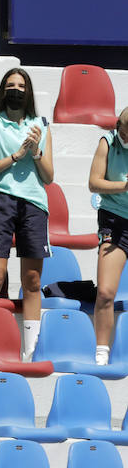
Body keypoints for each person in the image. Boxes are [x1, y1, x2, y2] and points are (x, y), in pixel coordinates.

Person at [0, 67, 53, 361]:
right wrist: (14, 157)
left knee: (32, 280)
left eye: (21, 85)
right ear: (3, 90)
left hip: (34, 203)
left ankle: (30, 351)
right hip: (1, 200)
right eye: (11, 85)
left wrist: (35, 153)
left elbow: (49, 176)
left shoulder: (41, 125)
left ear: (29, 91)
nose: (16, 90)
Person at [91, 108, 128, 367]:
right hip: (114, 218)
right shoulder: (108, 142)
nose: (125, 136)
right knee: (105, 291)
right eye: (124, 130)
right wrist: (125, 186)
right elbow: (94, 183)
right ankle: (101, 351)